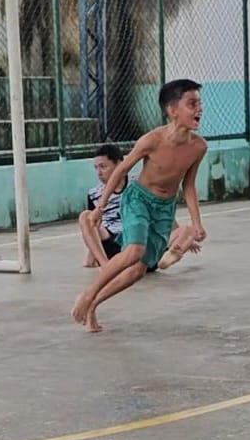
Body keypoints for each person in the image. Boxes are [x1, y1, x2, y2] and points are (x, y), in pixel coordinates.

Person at [72, 79, 207, 332]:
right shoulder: (152, 140)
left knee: (137, 271)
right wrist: (100, 208)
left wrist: (197, 223)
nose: (199, 109)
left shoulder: (198, 147)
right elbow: (121, 169)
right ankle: (88, 294)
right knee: (134, 250)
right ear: (172, 110)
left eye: (199, 103)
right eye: (192, 104)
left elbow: (188, 185)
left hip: (164, 208)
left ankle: (93, 306)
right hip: (138, 200)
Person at [79, 144, 126, 269]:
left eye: (103, 167)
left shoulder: (137, 185)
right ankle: (105, 265)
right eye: (96, 168)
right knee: (86, 216)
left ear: (119, 164)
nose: (99, 173)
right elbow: (94, 225)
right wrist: (91, 257)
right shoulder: (94, 194)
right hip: (110, 241)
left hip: (134, 239)